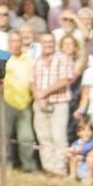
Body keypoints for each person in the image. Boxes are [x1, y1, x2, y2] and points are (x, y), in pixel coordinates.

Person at [31, 32, 75, 177]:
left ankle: (60, 170)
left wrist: (43, 93)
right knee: (44, 137)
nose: (48, 45)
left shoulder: (63, 59)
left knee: (59, 137)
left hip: (59, 102)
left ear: (54, 43)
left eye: (51, 42)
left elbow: (64, 80)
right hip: (40, 103)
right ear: (41, 44)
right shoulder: (36, 60)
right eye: (45, 42)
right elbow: (32, 81)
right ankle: (49, 168)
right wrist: (39, 96)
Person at [1, 30, 37, 173]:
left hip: (25, 103)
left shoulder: (29, 60)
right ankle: (5, 165)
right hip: (6, 102)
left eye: (18, 41)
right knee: (4, 135)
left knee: (26, 137)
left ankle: (28, 166)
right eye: (13, 41)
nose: (15, 44)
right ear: (8, 43)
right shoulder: (1, 59)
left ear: (22, 43)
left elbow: (33, 80)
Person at [67, 118, 93, 184]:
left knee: (92, 152)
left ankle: (90, 178)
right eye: (83, 130)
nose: (86, 133)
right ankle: (73, 176)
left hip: (91, 170)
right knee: (72, 155)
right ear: (78, 133)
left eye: (89, 130)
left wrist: (79, 152)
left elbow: (85, 148)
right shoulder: (76, 143)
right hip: (79, 168)